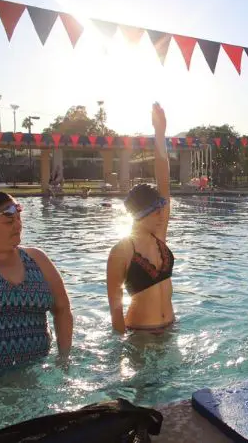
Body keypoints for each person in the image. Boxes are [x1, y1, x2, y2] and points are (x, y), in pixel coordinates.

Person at [0, 189, 73, 372]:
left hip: (35, 375)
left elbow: (62, 310)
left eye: (18, 219)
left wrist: (63, 359)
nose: (18, 226)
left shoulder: (37, 259)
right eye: (9, 221)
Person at [107, 103, 175, 334]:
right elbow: (115, 309)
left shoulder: (159, 237)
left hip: (171, 331)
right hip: (140, 336)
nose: (161, 214)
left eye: (161, 209)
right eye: (155, 211)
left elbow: (164, 180)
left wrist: (160, 134)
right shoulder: (122, 250)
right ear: (139, 215)